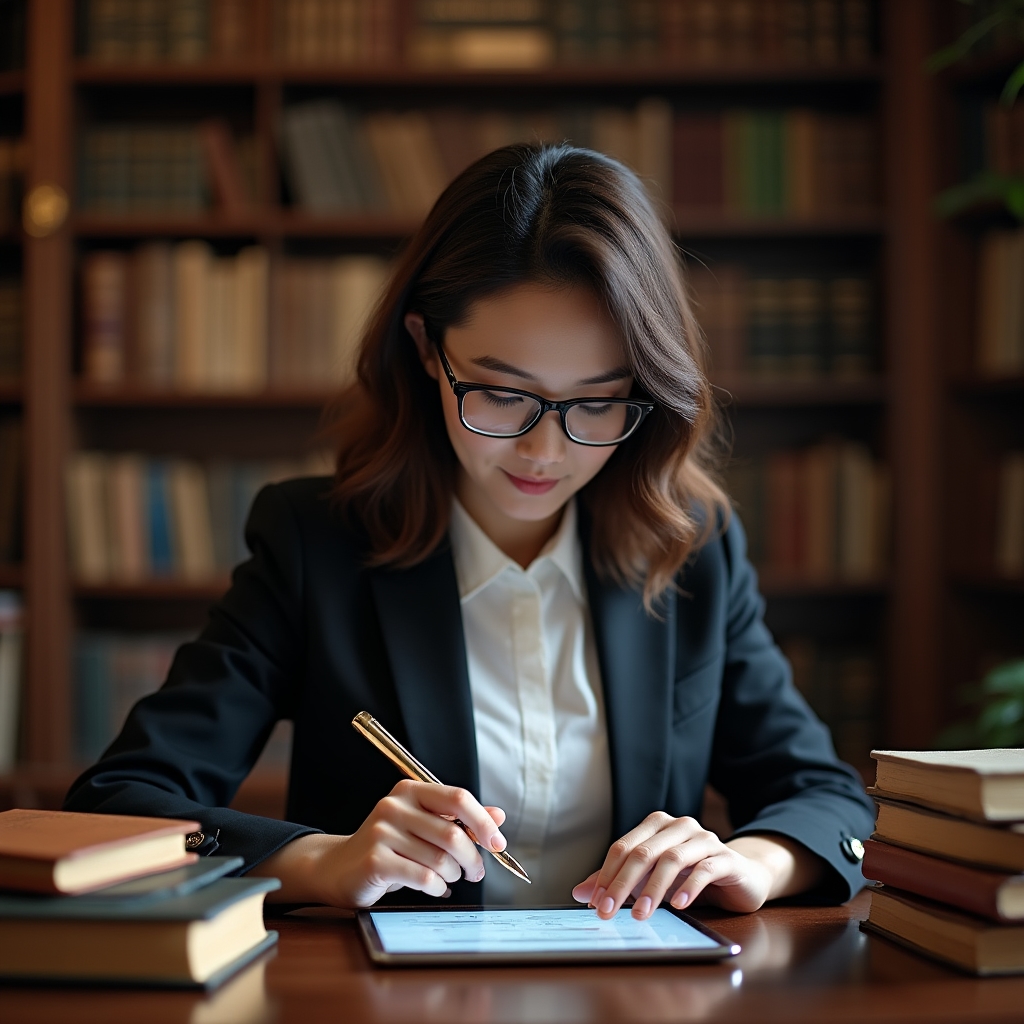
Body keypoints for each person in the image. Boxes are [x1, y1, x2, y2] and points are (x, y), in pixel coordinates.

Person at [65, 144, 875, 921]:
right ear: (425, 347)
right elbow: (117, 806)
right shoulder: (314, 545)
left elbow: (829, 801)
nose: (544, 450)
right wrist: (324, 861)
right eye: (500, 392)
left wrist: (752, 863)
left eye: (597, 401)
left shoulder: (693, 547)